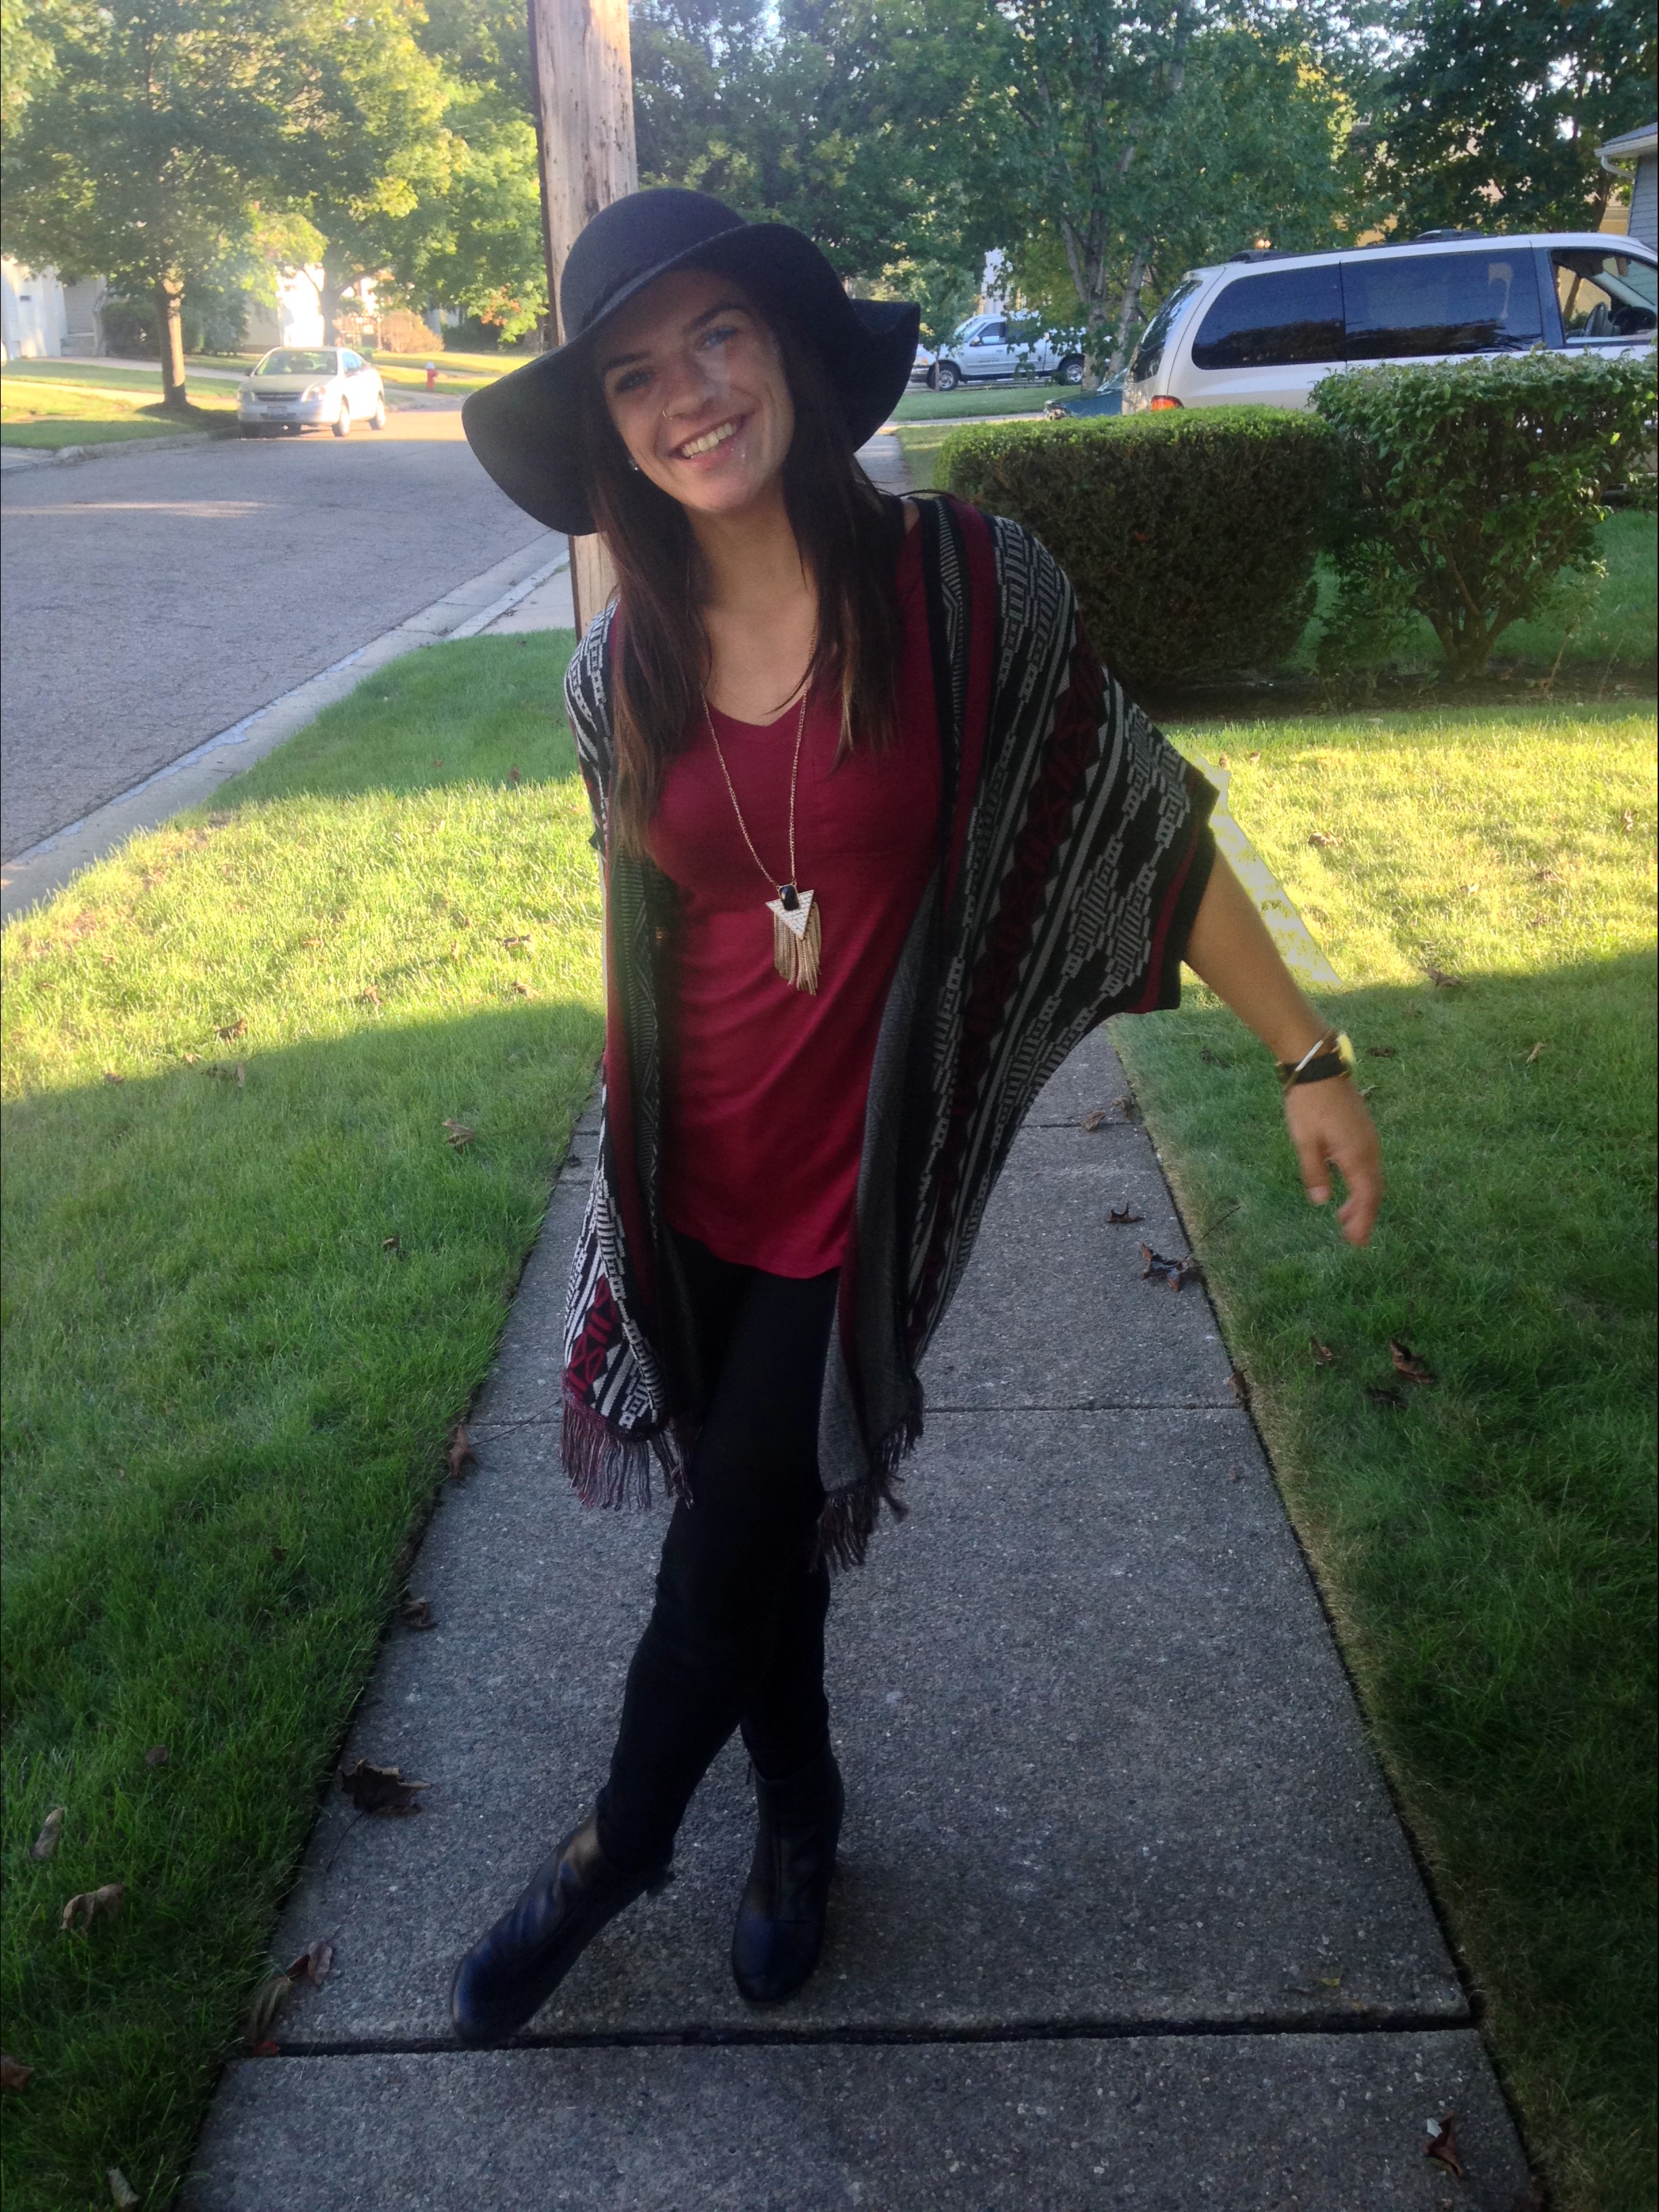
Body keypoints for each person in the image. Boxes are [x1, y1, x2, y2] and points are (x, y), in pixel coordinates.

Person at [450, 188, 1382, 2045]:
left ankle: (611, 1852)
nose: (690, 395)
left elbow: (1140, 821)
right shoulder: (613, 671)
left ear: (788, 349)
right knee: (759, 1529)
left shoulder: (967, 591)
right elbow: (654, 944)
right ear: (610, 429)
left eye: (719, 336)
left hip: (855, 1188)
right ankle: (799, 1820)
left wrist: (1308, 1052)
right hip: (682, 1178)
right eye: (635, 374)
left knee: (728, 1532)